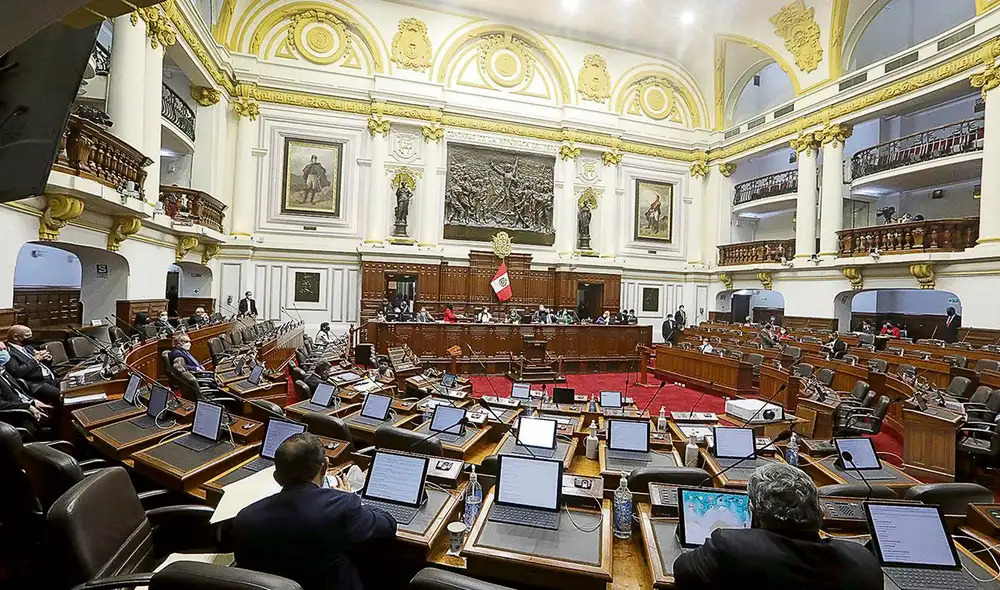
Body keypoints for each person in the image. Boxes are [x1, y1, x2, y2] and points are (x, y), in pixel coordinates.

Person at [673, 463, 882, 590]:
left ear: (754, 512)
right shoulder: (863, 561)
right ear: (819, 513)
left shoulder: (731, 546)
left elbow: (682, 571)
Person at [233, 433, 396, 590]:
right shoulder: (341, 507)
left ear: (277, 477)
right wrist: (348, 497)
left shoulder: (244, 519)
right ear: (324, 466)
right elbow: (388, 524)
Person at [4, 325, 61, 406]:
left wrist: (47, 358)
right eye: (27, 336)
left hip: (50, 378)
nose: (30, 338)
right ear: (16, 337)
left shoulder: (28, 348)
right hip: (36, 383)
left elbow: (44, 364)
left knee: (71, 385)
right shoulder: (8, 353)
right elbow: (18, 372)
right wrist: (35, 360)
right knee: (59, 395)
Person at [0, 342, 49, 435]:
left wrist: (33, 401)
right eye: (0, 350)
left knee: (60, 411)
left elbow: (19, 392)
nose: (4, 353)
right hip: (18, 416)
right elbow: (1, 404)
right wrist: (28, 406)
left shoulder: (3, 371)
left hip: (25, 406)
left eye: (5, 349)